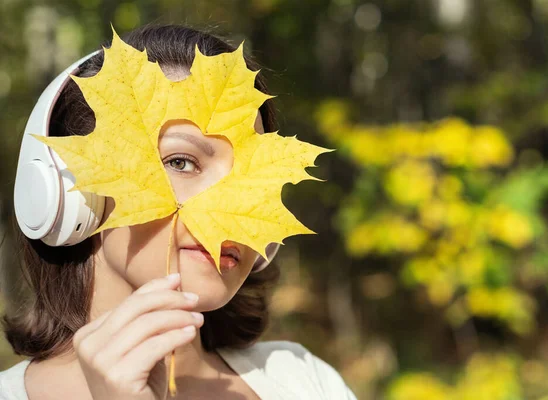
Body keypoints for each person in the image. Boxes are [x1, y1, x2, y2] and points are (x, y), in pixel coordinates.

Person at [0, 23, 357, 399]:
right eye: (182, 162)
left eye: (250, 181)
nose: (233, 205)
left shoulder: (303, 381)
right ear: (72, 187)